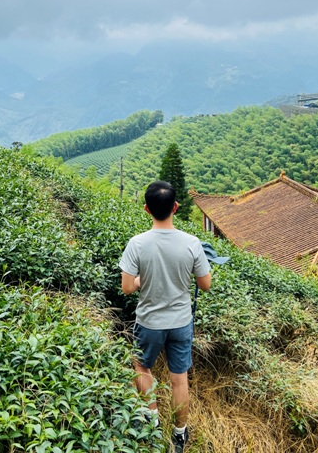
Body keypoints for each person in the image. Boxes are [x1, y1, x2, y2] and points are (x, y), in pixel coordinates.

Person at [119, 180, 212, 452]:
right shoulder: (192, 243)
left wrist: (142, 280)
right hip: (181, 322)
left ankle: (153, 421)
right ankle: (179, 435)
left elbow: (127, 287)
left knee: (142, 367)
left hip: (149, 322)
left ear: (146, 209)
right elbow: (205, 284)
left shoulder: (137, 244)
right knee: (179, 378)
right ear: (176, 207)